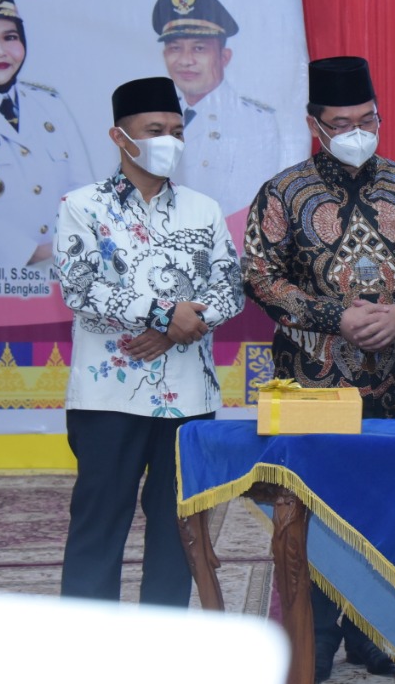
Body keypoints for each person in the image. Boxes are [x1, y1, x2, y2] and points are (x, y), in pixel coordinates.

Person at [243, 55, 395, 682]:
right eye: (341, 123)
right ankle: (311, 640)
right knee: (308, 511)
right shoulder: (283, 193)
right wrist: (333, 315)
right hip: (312, 386)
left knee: (385, 508)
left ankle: (374, 636)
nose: (356, 132)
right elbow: (259, 275)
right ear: (314, 124)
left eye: (367, 120)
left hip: (394, 384)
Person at [54, 76, 243, 606]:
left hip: (189, 398)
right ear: (120, 137)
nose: (169, 142)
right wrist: (164, 316)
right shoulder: (82, 206)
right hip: (107, 400)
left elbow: (230, 288)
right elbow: (79, 287)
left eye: (177, 131)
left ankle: (162, 641)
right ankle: (88, 644)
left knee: (177, 530)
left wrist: (177, 330)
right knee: (98, 525)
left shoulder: (203, 209)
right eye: (155, 130)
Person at [0, 0, 94, 267]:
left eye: (10, 37)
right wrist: (28, 252)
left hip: (61, 270)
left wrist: (74, 243)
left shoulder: (50, 104)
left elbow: (84, 190)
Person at [152, 0, 293, 217]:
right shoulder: (157, 116)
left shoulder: (253, 121)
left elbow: (249, 207)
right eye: (175, 48)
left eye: (199, 49)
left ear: (224, 57)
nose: (185, 61)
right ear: (165, 55)